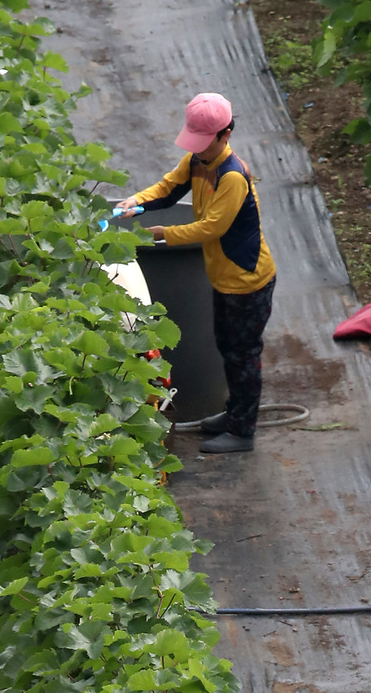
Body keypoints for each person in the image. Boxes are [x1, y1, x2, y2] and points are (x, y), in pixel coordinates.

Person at [117, 93, 276, 455]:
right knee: (227, 348)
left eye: (205, 143)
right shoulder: (197, 161)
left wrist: (164, 234)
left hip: (247, 282)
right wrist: (136, 202)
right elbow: (169, 189)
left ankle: (243, 430)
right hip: (225, 280)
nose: (198, 150)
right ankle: (234, 413)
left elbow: (212, 227)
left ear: (226, 134)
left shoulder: (232, 176)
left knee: (243, 355)